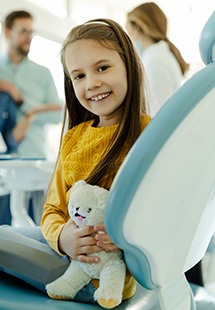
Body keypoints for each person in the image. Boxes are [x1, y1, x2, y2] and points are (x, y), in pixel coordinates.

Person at [0, 18, 151, 305]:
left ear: (129, 65)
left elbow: (160, 209)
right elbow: (52, 209)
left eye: (103, 67)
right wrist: (62, 238)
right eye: (79, 76)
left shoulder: (148, 135)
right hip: (67, 250)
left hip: (96, 276)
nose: (92, 83)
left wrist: (126, 238)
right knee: (5, 232)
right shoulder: (73, 138)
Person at [0, 10, 62, 158]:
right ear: (7, 32)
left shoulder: (43, 73)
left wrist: (24, 104)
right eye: (23, 32)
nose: (29, 38)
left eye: (31, 32)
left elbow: (57, 115)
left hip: (33, 156)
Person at [126, 2, 189, 116]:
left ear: (138, 26)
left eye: (129, 31)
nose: (130, 38)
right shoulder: (157, 55)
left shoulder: (155, 60)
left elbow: (158, 111)